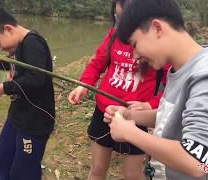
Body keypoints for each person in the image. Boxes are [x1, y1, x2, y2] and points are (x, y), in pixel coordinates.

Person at [104, 0, 208, 179]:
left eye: (135, 44)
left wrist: (131, 133)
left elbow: (198, 161)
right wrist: (131, 116)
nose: (135, 56)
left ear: (157, 28)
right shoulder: (180, 69)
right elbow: (174, 118)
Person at [68, 1, 168, 179]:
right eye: (118, 18)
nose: (122, 25)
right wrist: (84, 85)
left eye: (127, 19)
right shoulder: (114, 35)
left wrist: (149, 104)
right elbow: (97, 63)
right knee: (97, 169)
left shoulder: (159, 48)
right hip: (103, 112)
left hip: (134, 117)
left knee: (132, 175)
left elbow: (171, 89)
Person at [0, 8, 55, 180]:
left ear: (8, 29)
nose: (0, 48)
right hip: (18, 116)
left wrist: (2, 88)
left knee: (23, 173)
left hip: (35, 122)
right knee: (1, 161)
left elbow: (35, 78)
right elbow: (11, 64)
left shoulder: (33, 43)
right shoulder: (19, 45)